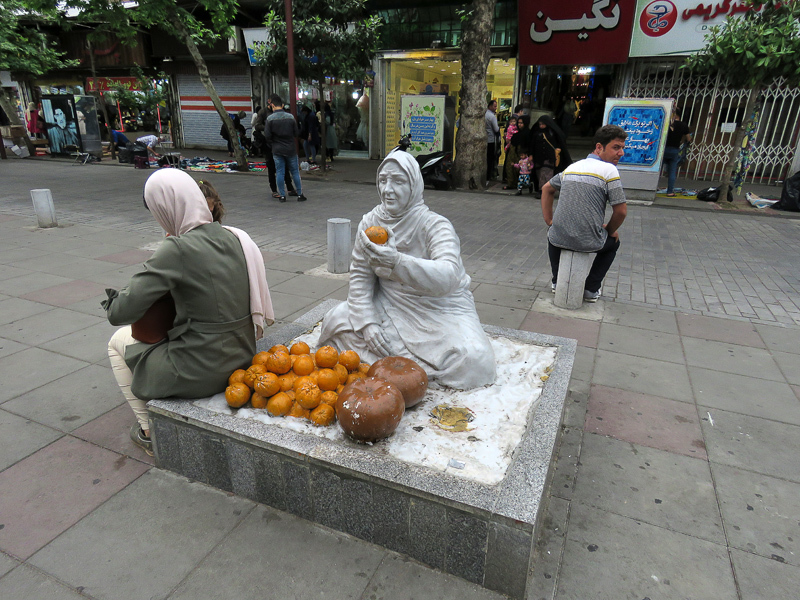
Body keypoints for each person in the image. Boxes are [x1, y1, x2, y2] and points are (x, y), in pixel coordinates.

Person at [104, 169, 273, 455]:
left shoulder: (177, 248)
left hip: (202, 369)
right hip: (243, 354)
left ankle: (148, 431)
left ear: (164, 207)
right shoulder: (235, 237)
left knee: (116, 342)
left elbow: (119, 312)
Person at [318, 150, 496, 389]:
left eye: (398, 181)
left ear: (413, 185)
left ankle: (407, 373)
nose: (388, 190)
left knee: (476, 361)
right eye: (383, 180)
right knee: (336, 320)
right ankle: (404, 371)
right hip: (389, 305)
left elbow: (449, 276)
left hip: (440, 309)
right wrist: (368, 323)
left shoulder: (434, 225)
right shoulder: (371, 222)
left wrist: (397, 263)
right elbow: (360, 276)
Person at [540, 125, 628, 303]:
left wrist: (549, 220)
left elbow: (546, 188)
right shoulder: (609, 171)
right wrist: (610, 230)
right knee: (613, 243)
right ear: (599, 147)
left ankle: (557, 281)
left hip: (559, 237)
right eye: (616, 147)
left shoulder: (573, 167)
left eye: (623, 148)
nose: (621, 153)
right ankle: (590, 289)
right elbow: (621, 211)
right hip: (589, 241)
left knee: (553, 234)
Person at [264, 94, 307, 202]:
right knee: (295, 171)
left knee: (280, 172)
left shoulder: (270, 119)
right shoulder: (290, 117)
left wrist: (273, 144)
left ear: (272, 105)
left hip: (277, 149)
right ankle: (300, 194)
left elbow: (267, 136)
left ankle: (282, 195)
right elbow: (296, 133)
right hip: (290, 148)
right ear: (282, 105)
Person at [531, 115, 569, 198]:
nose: (541, 126)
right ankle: (543, 190)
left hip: (549, 157)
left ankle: (544, 190)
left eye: (543, 124)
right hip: (538, 158)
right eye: (540, 124)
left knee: (546, 173)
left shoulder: (553, 133)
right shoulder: (536, 133)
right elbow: (532, 145)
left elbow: (560, 141)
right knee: (540, 174)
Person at [663, 107, 693, 196]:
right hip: (674, 150)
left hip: (663, 150)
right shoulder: (683, 125)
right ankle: (670, 192)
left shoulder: (667, 123)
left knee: (658, 170)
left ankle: (652, 188)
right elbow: (688, 139)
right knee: (672, 172)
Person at [502, 115, 520, 190]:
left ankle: (515, 182)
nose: (513, 123)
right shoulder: (510, 128)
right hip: (511, 146)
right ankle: (512, 182)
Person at [485, 99, 500, 182]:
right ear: (490, 106)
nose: (496, 108)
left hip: (484, 140)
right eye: (494, 106)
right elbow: (496, 129)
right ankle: (489, 176)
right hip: (491, 140)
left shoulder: (484, 114)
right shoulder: (492, 117)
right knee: (490, 159)